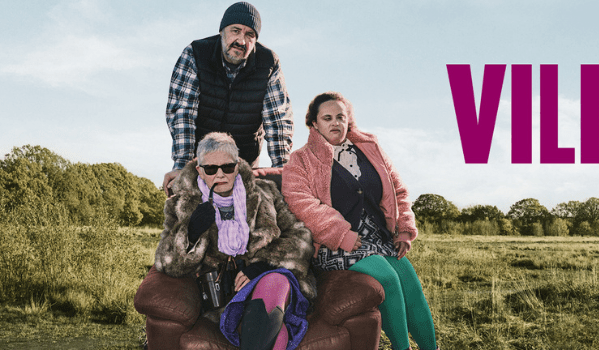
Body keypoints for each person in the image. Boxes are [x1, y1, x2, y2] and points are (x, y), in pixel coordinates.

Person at [282, 92, 438, 350]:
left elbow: (397, 190)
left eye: (340, 117)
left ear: (348, 120)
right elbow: (301, 204)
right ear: (314, 123)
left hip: (378, 237)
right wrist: (341, 234)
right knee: (387, 278)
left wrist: (404, 230)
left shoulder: (370, 148)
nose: (335, 123)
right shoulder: (301, 160)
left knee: (409, 281)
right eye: (327, 118)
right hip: (333, 243)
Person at [155, 132, 315, 350]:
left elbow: (300, 236)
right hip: (227, 297)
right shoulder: (182, 205)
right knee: (276, 336)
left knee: (274, 281)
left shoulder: (266, 192)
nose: (219, 174)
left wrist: (262, 266)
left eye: (227, 167)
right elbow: (166, 262)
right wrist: (192, 232)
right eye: (211, 169)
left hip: (271, 281)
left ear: (237, 166)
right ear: (200, 171)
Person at [162, 1, 294, 194]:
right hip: (202, 162)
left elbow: (278, 120)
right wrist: (182, 165)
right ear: (222, 31)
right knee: (195, 216)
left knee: (247, 217)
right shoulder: (195, 55)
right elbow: (182, 113)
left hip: (244, 162)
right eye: (235, 31)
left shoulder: (268, 64)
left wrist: (283, 167)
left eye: (250, 35)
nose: (241, 40)